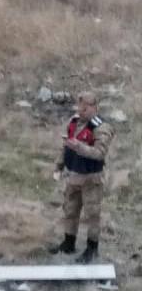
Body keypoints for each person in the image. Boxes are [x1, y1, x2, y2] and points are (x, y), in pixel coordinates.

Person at [50, 91, 114, 263]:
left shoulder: (102, 128)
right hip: (73, 176)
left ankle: (92, 248)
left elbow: (100, 153)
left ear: (94, 107)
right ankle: (68, 242)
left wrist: (81, 147)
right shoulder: (74, 122)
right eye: (80, 107)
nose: (81, 111)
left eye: (85, 108)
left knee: (92, 214)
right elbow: (65, 147)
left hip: (91, 179)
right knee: (70, 210)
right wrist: (59, 165)